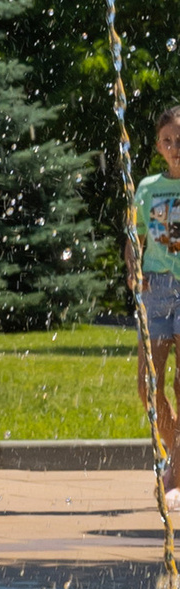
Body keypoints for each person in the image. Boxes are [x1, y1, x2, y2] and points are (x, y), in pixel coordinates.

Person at [128, 105, 180, 493]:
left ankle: (175, 468)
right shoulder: (147, 188)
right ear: (158, 147)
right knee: (149, 384)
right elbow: (134, 237)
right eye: (168, 141)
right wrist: (133, 269)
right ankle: (175, 451)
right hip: (157, 290)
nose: (175, 146)